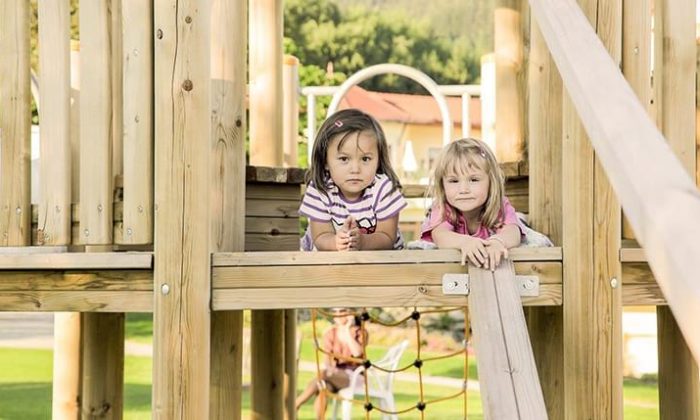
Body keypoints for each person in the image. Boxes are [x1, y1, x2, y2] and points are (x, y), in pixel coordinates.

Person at [299, 108, 407, 251]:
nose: (355, 169)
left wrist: (363, 242)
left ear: (378, 160)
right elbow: (320, 236)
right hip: (330, 264)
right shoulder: (321, 190)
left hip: (381, 266)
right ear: (325, 161)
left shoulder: (383, 188)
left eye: (365, 159)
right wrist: (336, 242)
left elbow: (387, 237)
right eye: (344, 159)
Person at [421, 137, 523, 270]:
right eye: (454, 181)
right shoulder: (443, 207)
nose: (463, 190)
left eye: (474, 180)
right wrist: (465, 242)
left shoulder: (499, 205)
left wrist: (498, 241)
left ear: (491, 182)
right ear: (442, 185)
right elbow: (440, 235)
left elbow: (512, 232)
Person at [295, 308, 367, 419]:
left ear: (350, 313)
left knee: (322, 376)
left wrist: (347, 329)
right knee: (323, 387)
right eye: (335, 311)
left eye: (342, 311)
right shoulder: (330, 333)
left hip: (354, 376)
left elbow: (357, 353)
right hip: (333, 376)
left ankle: (295, 404)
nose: (338, 314)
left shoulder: (359, 332)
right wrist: (330, 369)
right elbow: (327, 360)